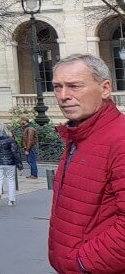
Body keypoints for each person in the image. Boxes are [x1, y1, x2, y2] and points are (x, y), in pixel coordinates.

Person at [48, 54, 125, 274]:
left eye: (74, 86)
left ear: (105, 88)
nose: (63, 96)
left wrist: (82, 263)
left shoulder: (119, 138)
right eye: (57, 87)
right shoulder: (79, 134)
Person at [0, 122, 22, 207]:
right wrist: (20, 165)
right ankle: (11, 200)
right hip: (9, 162)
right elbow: (15, 152)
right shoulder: (10, 140)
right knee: (11, 180)